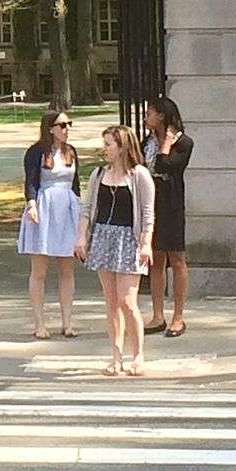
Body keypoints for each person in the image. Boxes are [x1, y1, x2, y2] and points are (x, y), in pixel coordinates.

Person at [75, 125, 155, 377]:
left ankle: (138, 354)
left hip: (128, 240)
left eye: (109, 144)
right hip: (103, 237)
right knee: (111, 302)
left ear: (122, 147)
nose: (105, 149)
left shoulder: (139, 175)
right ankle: (116, 355)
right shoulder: (99, 174)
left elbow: (148, 212)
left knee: (127, 300)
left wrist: (145, 242)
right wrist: (81, 237)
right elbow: (87, 208)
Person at [18, 108, 82, 339]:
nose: (66, 130)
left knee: (67, 269)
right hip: (45, 206)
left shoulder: (71, 152)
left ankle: (67, 322)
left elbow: (76, 184)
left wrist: (80, 211)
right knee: (40, 270)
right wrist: (31, 204)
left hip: (67, 207)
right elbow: (31, 181)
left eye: (68, 125)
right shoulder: (36, 152)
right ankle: (40, 324)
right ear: (50, 128)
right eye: (62, 125)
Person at [141, 96, 194, 338]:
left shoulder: (183, 143)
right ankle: (157, 315)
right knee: (156, 259)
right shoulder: (147, 142)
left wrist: (165, 146)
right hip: (152, 202)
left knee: (177, 257)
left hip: (171, 203)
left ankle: (179, 316)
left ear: (161, 115)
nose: (146, 117)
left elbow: (165, 166)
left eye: (149, 113)